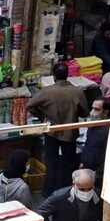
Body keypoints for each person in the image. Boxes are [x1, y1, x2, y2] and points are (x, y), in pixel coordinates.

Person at [27, 62, 89, 196]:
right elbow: (85, 113)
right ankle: (66, 192)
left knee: (51, 163)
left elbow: (30, 105)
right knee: (69, 164)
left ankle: (48, 191)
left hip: (52, 132)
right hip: (70, 132)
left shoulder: (47, 92)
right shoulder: (77, 91)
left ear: (54, 76)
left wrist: (42, 115)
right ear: (67, 75)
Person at [37, 169, 103, 221]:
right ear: (73, 184)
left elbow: (104, 217)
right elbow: (41, 213)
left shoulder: (98, 196)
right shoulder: (60, 196)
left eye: (90, 188)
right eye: (82, 189)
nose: (86, 192)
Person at [81, 97, 110, 191]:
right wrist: (83, 162)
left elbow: (109, 155)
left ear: (105, 112)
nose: (92, 112)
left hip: (98, 174)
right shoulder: (93, 125)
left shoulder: (109, 130)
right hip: (86, 168)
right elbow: (88, 144)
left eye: (97, 109)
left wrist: (98, 173)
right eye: (92, 108)